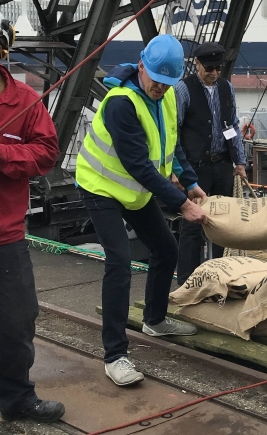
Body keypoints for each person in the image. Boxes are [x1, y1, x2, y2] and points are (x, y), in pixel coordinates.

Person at [75, 34, 208, 387]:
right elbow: (139, 166)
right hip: (101, 188)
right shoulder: (122, 103)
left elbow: (171, 143)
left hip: (133, 192)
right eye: (156, 81)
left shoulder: (163, 97)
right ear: (141, 67)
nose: (160, 89)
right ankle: (115, 355)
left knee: (166, 249)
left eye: (168, 84)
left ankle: (155, 319)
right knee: (118, 261)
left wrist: (190, 182)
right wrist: (182, 203)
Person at [0, 0, 65, 422]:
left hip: (1, 238)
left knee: (15, 326)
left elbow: (46, 154)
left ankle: (17, 399)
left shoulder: (25, 101)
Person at [174, 42, 247, 285]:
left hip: (223, 166)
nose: (214, 73)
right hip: (196, 168)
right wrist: (179, 171)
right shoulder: (183, 90)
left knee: (222, 225)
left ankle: (220, 278)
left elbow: (233, 126)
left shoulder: (227, 88)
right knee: (193, 227)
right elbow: (175, 131)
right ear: (196, 64)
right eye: (209, 68)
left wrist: (240, 161)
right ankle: (188, 281)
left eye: (218, 68)